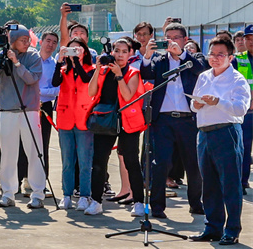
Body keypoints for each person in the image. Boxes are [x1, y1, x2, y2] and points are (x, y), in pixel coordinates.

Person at [139, 23, 209, 219]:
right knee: (160, 163)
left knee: (193, 164)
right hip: (163, 120)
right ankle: (157, 207)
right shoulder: (159, 60)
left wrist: (182, 55)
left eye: (176, 37)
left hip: (188, 120)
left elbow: (201, 70)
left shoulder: (194, 59)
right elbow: (146, 74)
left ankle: (196, 203)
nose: (171, 41)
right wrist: (146, 55)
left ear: (185, 40)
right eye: (167, 37)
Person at [188, 35, 250, 245]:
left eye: (220, 55)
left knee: (230, 183)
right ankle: (212, 227)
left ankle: (232, 229)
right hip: (204, 133)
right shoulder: (204, 76)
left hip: (226, 132)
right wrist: (195, 106)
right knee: (209, 183)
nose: (214, 58)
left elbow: (241, 109)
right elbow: (193, 104)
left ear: (230, 57)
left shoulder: (237, 80)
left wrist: (218, 101)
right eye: (211, 54)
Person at [85, 39, 146, 217]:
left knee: (131, 161)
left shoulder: (133, 72)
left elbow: (128, 96)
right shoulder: (104, 71)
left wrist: (119, 75)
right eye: (117, 51)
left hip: (127, 121)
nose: (119, 55)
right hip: (105, 120)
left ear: (130, 54)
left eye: (124, 51)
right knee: (99, 162)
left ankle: (139, 202)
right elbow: (91, 92)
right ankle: (96, 201)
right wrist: (97, 70)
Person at [0, 25, 46, 209]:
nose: (26, 43)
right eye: (22, 40)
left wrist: (16, 63)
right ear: (11, 41)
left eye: (27, 39)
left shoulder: (33, 55)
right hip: (7, 109)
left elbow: (32, 78)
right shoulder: (1, 55)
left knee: (34, 152)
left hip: (29, 109)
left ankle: (38, 193)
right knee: (7, 154)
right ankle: (7, 193)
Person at [52, 39, 95, 210]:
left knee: (85, 160)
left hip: (83, 117)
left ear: (85, 51)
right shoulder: (64, 70)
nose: (74, 52)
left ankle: (85, 194)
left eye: (78, 49)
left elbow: (85, 80)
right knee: (67, 160)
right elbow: (55, 82)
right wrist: (60, 61)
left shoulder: (91, 70)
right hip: (65, 117)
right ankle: (66, 194)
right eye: (71, 50)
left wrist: (76, 60)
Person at [18, 31, 58, 192]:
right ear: (41, 42)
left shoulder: (55, 65)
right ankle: (19, 180)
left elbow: (58, 90)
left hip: (45, 108)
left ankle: (41, 182)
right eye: (48, 40)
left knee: (43, 146)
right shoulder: (30, 59)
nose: (50, 44)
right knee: (22, 144)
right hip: (27, 105)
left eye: (54, 42)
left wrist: (39, 91)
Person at [236, 25, 253, 193]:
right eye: (247, 38)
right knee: (244, 148)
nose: (250, 41)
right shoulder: (237, 59)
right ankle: (242, 182)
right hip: (246, 113)